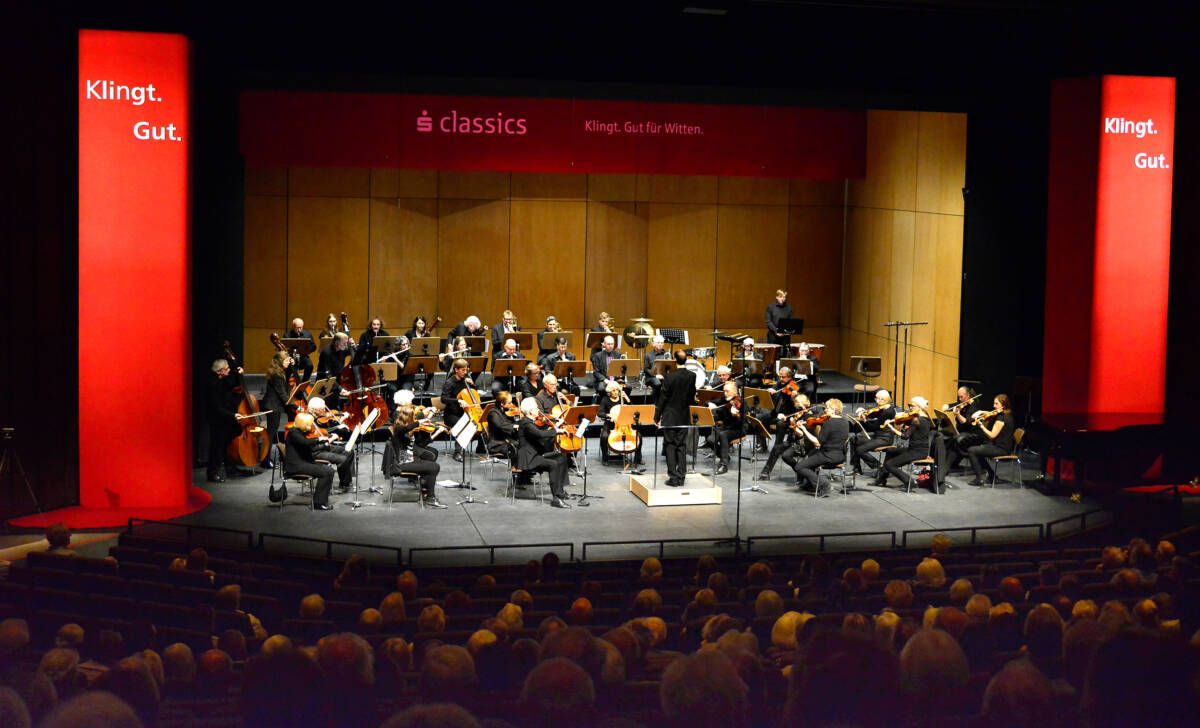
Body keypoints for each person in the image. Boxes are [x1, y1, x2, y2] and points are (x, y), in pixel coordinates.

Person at [387, 404, 447, 508]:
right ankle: (430, 498)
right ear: (408, 417)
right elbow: (404, 429)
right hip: (402, 463)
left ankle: (426, 490)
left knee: (431, 462)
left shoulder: (408, 429)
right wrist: (419, 422)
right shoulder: (398, 429)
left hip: (409, 458)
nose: (415, 418)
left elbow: (418, 442)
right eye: (413, 417)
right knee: (434, 467)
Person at [516, 398, 572, 508]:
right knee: (553, 464)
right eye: (536, 408)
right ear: (531, 411)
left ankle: (560, 491)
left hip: (535, 454)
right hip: (529, 459)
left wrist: (556, 429)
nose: (538, 410)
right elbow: (541, 434)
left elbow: (542, 434)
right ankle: (556, 498)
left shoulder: (530, 422)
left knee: (561, 456)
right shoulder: (526, 424)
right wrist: (556, 430)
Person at [872, 396, 935, 492]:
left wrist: (891, 427)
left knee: (889, 464)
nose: (910, 408)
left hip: (915, 452)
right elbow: (914, 428)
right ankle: (882, 478)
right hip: (921, 450)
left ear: (919, 407)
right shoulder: (926, 418)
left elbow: (905, 436)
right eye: (909, 405)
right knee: (890, 451)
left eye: (912, 406)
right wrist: (900, 422)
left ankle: (909, 481)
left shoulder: (916, 420)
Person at [792, 398, 851, 496]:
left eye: (827, 408)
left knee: (799, 467)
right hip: (840, 455)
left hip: (828, 456)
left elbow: (817, 443)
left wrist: (803, 429)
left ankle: (824, 484)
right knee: (811, 455)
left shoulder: (829, 423)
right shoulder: (845, 422)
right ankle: (810, 484)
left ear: (833, 409)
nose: (825, 410)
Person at [656, 350, 697, 487]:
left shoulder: (669, 377)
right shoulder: (692, 376)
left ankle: (673, 478)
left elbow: (663, 398)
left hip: (670, 416)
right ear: (686, 360)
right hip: (684, 415)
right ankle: (682, 477)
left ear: (675, 360)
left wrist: (657, 416)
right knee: (681, 445)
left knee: (670, 445)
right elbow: (691, 397)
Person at [284, 412, 336, 510]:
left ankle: (319, 500)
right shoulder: (293, 433)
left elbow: (310, 448)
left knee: (329, 470)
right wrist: (319, 439)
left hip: (303, 462)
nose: (311, 425)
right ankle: (319, 503)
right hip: (296, 466)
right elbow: (306, 443)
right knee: (327, 472)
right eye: (310, 424)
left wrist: (324, 444)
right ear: (304, 424)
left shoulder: (299, 432)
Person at [205, 358, 244, 482]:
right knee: (217, 447)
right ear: (220, 371)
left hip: (226, 418)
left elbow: (234, 385)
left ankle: (230, 468)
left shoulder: (223, 380)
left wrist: (239, 375)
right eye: (227, 369)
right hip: (217, 420)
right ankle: (212, 473)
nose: (229, 370)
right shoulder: (212, 384)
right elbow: (217, 408)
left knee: (228, 443)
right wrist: (233, 415)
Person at [759, 390, 809, 481]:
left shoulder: (808, 415)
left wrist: (795, 425)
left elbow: (802, 433)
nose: (795, 406)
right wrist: (787, 419)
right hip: (792, 441)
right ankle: (765, 473)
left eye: (797, 404)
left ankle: (800, 471)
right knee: (776, 448)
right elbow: (790, 423)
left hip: (802, 443)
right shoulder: (798, 412)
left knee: (786, 455)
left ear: (802, 404)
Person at [966, 394, 1016, 486]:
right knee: (978, 451)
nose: (994, 406)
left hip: (1001, 449)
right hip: (1002, 446)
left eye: (996, 404)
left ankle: (979, 479)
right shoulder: (1007, 414)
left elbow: (992, 435)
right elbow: (991, 413)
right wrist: (982, 412)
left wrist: (981, 426)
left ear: (1003, 405)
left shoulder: (1002, 418)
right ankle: (992, 476)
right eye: (994, 403)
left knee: (971, 450)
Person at [441, 359, 482, 462]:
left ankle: (480, 449)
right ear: (456, 370)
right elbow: (443, 399)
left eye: (466, 370)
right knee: (464, 424)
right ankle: (457, 452)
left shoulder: (466, 379)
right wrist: (458, 401)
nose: (465, 372)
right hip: (452, 414)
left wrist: (473, 384)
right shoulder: (450, 382)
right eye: (463, 370)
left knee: (481, 422)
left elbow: (474, 394)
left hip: (466, 412)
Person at [850, 389, 898, 475]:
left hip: (884, 438)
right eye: (876, 398)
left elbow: (874, 427)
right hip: (878, 436)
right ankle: (856, 468)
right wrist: (864, 411)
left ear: (885, 400)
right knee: (854, 439)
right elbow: (873, 413)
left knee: (860, 450)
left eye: (879, 399)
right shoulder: (882, 408)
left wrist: (865, 420)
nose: (877, 401)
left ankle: (879, 466)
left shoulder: (888, 412)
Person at [602, 379, 645, 472]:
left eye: (616, 390)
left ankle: (638, 458)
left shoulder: (623, 399)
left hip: (625, 424)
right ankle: (605, 458)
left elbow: (634, 411)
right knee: (604, 436)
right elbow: (600, 413)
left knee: (639, 436)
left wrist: (627, 399)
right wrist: (608, 415)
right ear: (609, 392)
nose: (615, 392)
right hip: (611, 424)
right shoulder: (605, 400)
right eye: (613, 390)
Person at [259, 351, 293, 468]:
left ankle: (266, 458)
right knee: (271, 433)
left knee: (271, 432)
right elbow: (282, 394)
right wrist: (292, 404)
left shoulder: (280, 371)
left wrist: (292, 364)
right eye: (287, 360)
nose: (289, 362)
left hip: (274, 405)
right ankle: (265, 460)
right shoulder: (276, 375)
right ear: (280, 362)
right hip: (272, 406)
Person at [707, 381, 745, 475]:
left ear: (735, 391)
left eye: (727, 391)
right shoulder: (725, 399)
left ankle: (724, 465)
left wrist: (736, 415)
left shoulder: (742, 402)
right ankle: (725, 456)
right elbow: (709, 401)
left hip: (738, 429)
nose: (725, 393)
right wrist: (711, 405)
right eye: (724, 391)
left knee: (723, 435)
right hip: (726, 427)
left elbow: (742, 422)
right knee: (710, 440)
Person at [590, 335, 626, 400]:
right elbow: (596, 372)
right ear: (604, 344)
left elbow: (621, 370)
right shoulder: (597, 356)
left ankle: (621, 402)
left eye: (612, 344)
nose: (610, 346)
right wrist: (606, 380)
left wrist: (620, 377)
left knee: (628, 387)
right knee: (601, 388)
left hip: (615, 380)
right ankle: (606, 403)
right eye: (608, 344)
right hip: (604, 380)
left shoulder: (618, 355)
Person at [285, 317, 316, 382]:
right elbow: (284, 349)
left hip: (303, 356)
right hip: (291, 357)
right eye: (297, 328)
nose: (299, 330)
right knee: (290, 367)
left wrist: (307, 350)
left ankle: (304, 383)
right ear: (293, 327)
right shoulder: (287, 335)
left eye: (301, 327)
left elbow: (313, 346)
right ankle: (286, 384)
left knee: (310, 365)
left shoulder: (307, 334)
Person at [642, 335, 671, 400]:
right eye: (658, 342)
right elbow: (646, 369)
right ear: (653, 344)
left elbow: (670, 367)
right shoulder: (648, 355)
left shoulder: (667, 354)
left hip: (664, 376)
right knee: (657, 383)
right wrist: (655, 375)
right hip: (651, 377)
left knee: (673, 382)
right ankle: (655, 402)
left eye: (661, 343)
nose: (660, 344)